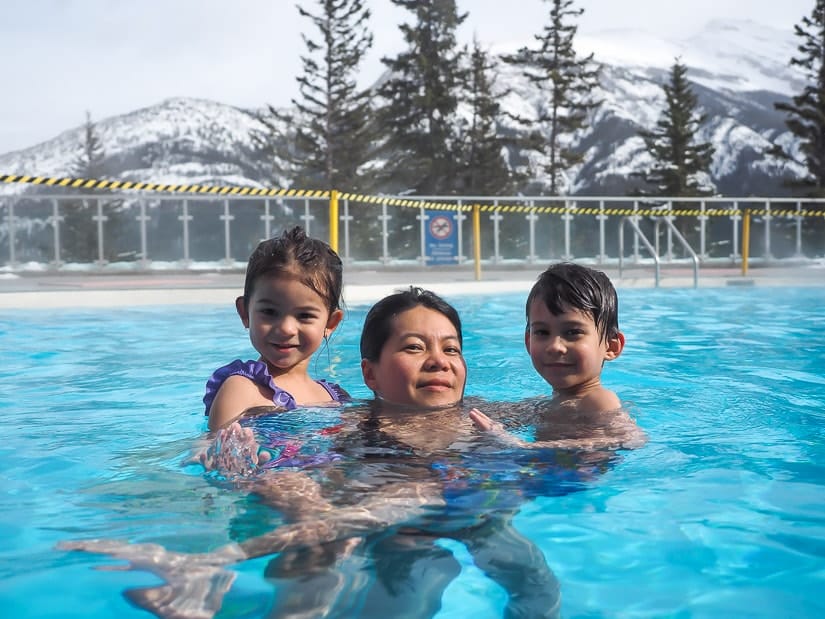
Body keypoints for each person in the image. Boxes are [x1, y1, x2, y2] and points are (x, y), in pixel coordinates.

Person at [59, 287, 562, 619]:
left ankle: (207, 567)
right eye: (414, 347)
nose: (439, 360)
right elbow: (271, 456)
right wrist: (228, 449)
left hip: (482, 518)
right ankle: (205, 568)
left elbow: (580, 429)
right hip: (396, 537)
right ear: (370, 374)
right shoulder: (348, 424)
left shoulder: (486, 415)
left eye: (451, 349)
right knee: (401, 584)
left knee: (538, 587)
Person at [470, 262, 646, 450]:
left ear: (611, 346)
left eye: (572, 332)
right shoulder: (552, 403)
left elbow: (630, 439)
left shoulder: (598, 401)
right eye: (542, 332)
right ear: (528, 342)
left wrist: (519, 445)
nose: (555, 346)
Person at [203, 226, 349, 431]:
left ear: (330, 323)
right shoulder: (242, 389)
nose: (286, 329)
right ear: (245, 313)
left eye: (304, 315)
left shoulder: (334, 397)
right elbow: (209, 452)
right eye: (270, 312)